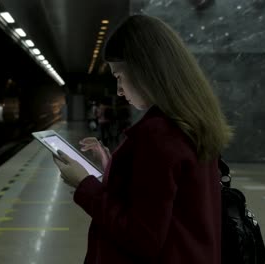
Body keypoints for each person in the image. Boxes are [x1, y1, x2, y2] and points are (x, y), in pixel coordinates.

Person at [53, 14, 234, 264]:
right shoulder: (192, 122)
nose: (118, 90)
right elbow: (165, 199)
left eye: (119, 76)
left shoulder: (158, 135)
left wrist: (84, 185)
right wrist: (113, 170)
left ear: (145, 70)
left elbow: (142, 238)